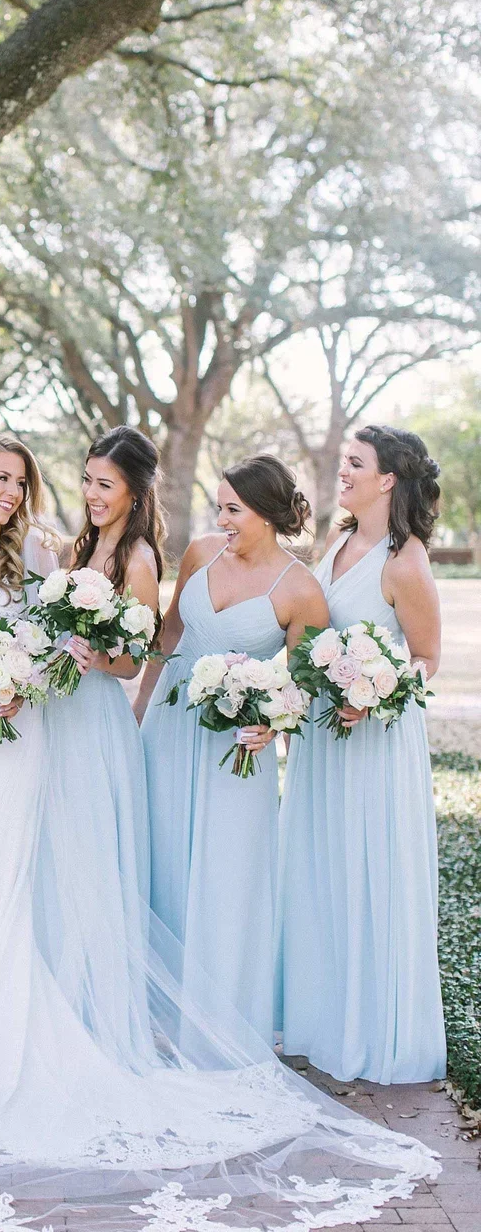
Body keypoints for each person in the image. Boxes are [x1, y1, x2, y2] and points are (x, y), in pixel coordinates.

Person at [0, 439, 436, 1232]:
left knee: (27, 872)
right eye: (6, 479)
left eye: (25, 481)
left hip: (35, 730)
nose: (20, 492)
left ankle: (30, 1021)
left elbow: (110, 649)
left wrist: (31, 669)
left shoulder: (52, 553)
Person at [135, 455, 328, 1042]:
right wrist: (139, 711)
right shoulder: (199, 553)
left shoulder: (300, 590)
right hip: (169, 726)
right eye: (219, 506)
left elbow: (302, 683)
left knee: (226, 874)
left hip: (236, 746)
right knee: (162, 854)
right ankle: (150, 1010)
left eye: (233, 509)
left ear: (267, 515)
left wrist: (273, 723)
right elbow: (169, 633)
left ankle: (217, 1019)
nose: (222, 519)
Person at [277, 424, 446, 1083]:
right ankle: (322, 1021)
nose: (342, 472)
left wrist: (382, 693)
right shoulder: (339, 539)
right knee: (321, 864)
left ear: (388, 480)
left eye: (355, 463)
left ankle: (372, 1032)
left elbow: (429, 658)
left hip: (375, 739)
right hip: (322, 732)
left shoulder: (406, 561)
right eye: (344, 461)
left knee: (367, 867)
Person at [40, 426, 160, 1045]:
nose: (91, 492)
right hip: (56, 715)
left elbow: (132, 663)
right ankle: (51, 1004)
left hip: (94, 720)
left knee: (87, 855)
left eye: (104, 485)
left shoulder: (137, 562)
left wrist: (93, 655)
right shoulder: (77, 550)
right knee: (52, 854)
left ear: (135, 492)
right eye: (87, 479)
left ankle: (94, 1018)